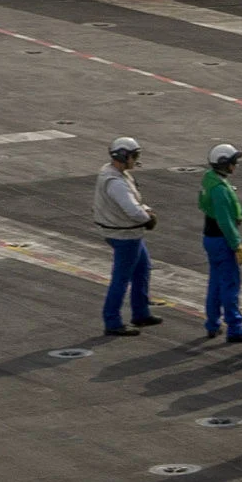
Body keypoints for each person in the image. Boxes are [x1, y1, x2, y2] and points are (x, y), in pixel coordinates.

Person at [92, 136, 161, 336]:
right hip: (124, 234)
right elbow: (131, 208)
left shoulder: (117, 174)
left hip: (128, 232)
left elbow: (135, 199)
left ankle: (140, 312)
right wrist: (147, 219)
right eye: (134, 155)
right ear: (123, 156)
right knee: (121, 279)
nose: (136, 159)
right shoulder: (115, 182)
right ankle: (112, 321)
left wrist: (147, 210)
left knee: (142, 268)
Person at [196, 144, 242, 342]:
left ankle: (213, 323)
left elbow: (202, 204)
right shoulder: (219, 189)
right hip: (222, 239)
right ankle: (235, 328)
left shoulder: (209, 179)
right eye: (233, 162)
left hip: (211, 237)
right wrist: (237, 245)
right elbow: (225, 221)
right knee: (229, 284)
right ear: (224, 164)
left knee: (215, 282)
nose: (235, 165)